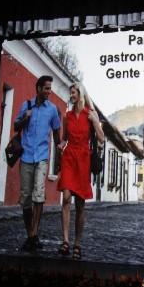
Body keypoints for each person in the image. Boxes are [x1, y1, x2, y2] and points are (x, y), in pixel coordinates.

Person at [56, 82, 104, 260]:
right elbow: (64, 139)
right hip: (69, 157)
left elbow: (101, 138)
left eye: (74, 92)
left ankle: (77, 243)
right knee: (66, 197)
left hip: (83, 159)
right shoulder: (67, 116)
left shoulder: (90, 114)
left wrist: (95, 122)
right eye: (71, 92)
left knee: (81, 205)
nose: (72, 95)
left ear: (81, 94)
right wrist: (60, 145)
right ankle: (65, 241)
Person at [15, 75, 61, 251]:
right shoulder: (26, 106)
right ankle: (31, 236)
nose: (49, 92)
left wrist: (60, 148)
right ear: (38, 89)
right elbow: (15, 127)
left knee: (39, 195)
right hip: (26, 157)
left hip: (42, 157)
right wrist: (25, 118)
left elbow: (56, 133)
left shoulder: (52, 110)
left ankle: (33, 234)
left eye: (50, 88)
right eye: (47, 88)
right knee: (26, 198)